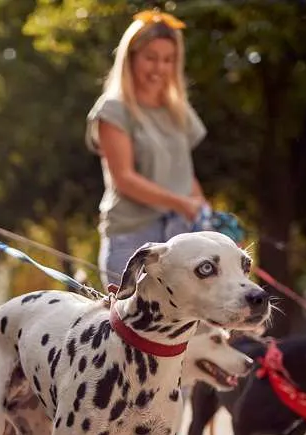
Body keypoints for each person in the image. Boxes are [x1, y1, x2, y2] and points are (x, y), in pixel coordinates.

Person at [86, 9, 209, 286]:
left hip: (180, 236)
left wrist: (209, 218)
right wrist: (182, 203)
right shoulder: (113, 110)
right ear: (130, 59)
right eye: (150, 58)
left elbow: (184, 174)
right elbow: (124, 179)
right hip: (132, 238)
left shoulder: (177, 111)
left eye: (168, 60)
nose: (159, 68)